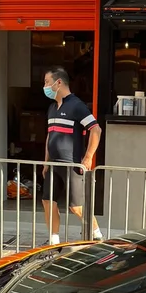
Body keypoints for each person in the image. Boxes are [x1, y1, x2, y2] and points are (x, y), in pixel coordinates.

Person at [42, 67, 102, 245]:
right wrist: (46, 162)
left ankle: (97, 234)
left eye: (46, 82)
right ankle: (54, 241)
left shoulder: (76, 105)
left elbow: (96, 129)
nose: (44, 86)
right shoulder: (52, 108)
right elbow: (49, 136)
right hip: (53, 165)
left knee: (76, 207)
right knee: (47, 201)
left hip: (71, 164)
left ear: (58, 82)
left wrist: (88, 158)